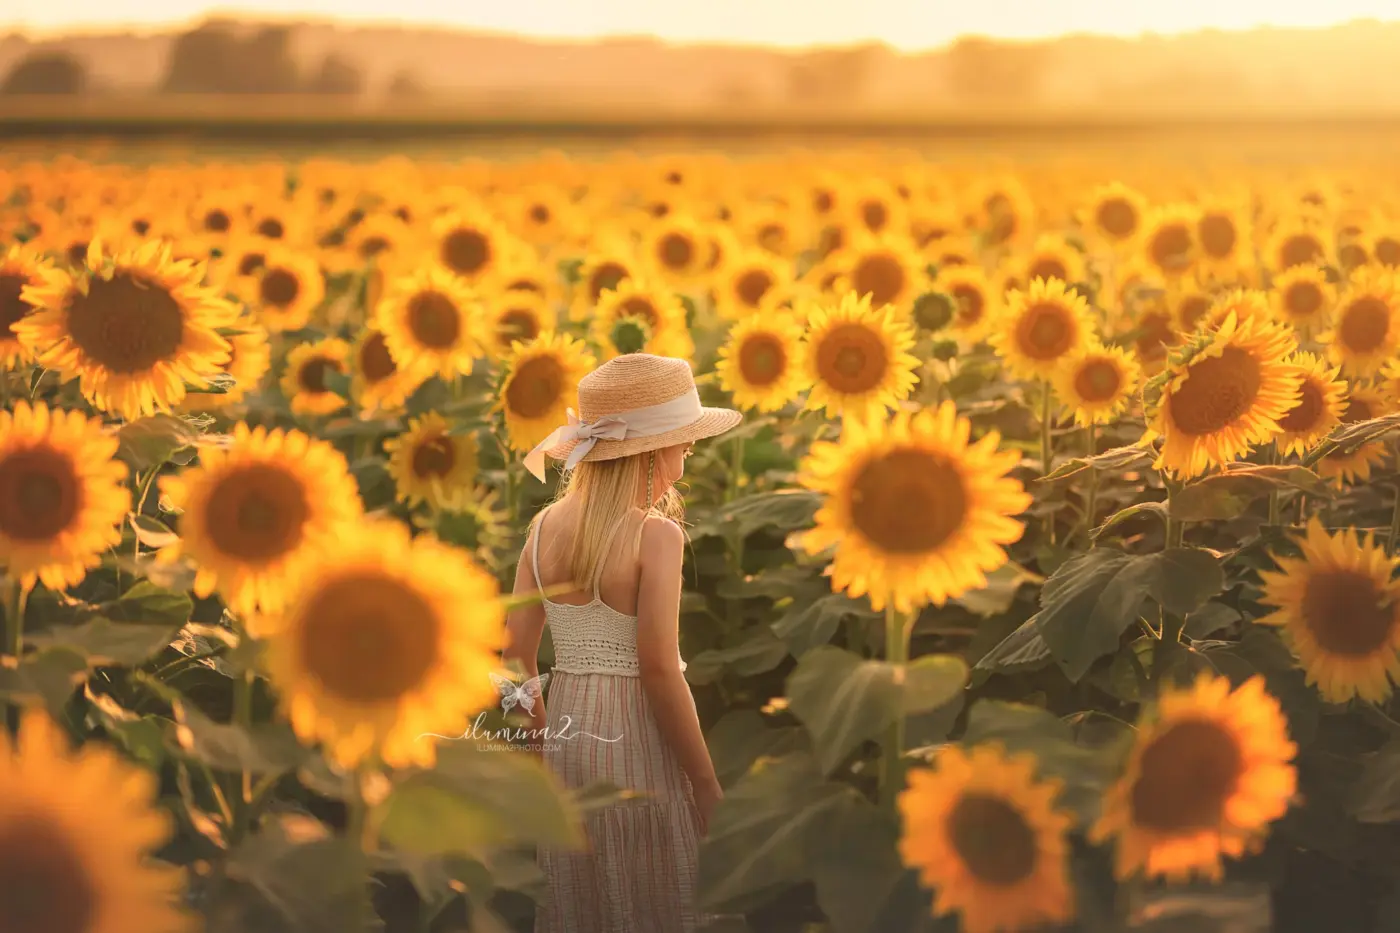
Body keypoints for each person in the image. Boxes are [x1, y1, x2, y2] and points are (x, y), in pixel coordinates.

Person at [502, 352, 742, 933]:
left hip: (568, 740)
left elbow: (512, 659)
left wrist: (538, 758)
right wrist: (706, 785)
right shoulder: (656, 535)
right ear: (652, 451)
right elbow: (659, 669)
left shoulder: (542, 530)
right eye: (684, 445)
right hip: (637, 738)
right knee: (657, 894)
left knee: (585, 899)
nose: (685, 458)